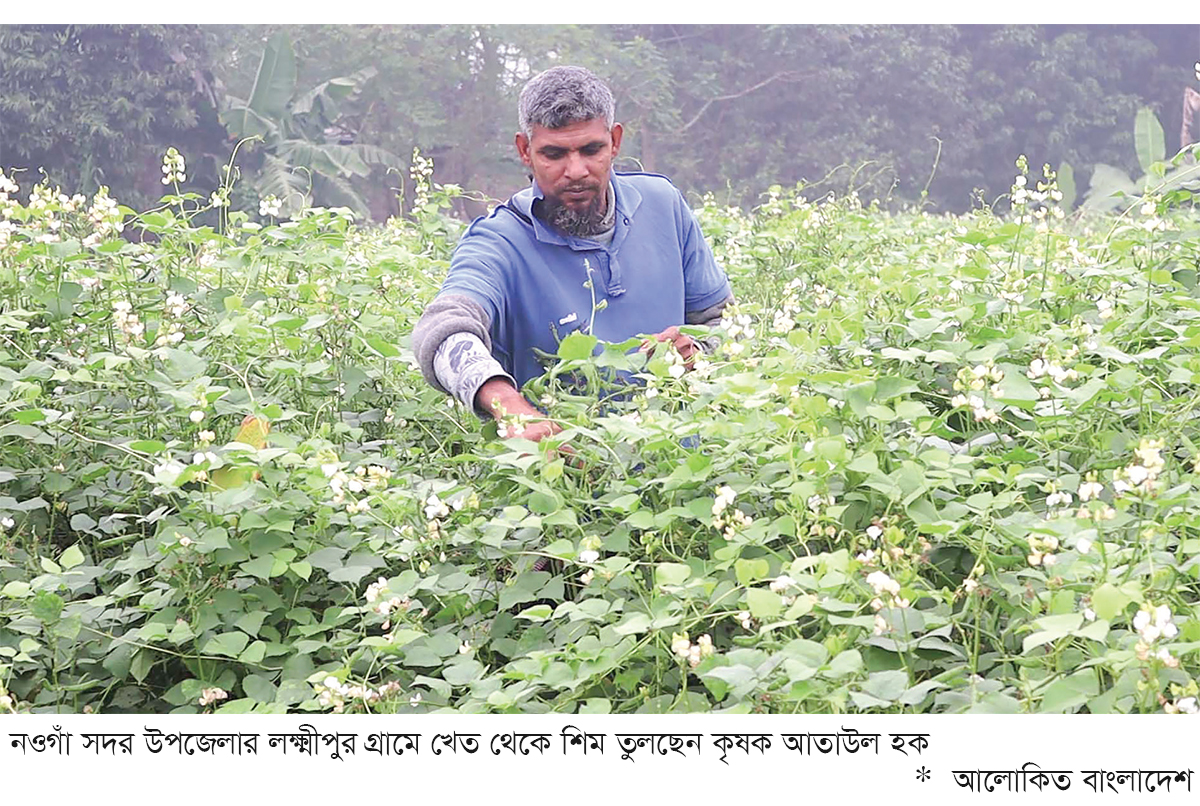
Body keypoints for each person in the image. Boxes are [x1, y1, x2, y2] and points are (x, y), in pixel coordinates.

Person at [411, 65, 733, 442]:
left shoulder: (663, 205)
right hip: (566, 479)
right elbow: (444, 329)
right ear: (524, 151)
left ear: (614, 141)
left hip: (681, 472)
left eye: (591, 149)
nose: (576, 171)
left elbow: (720, 319)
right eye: (554, 154)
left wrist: (697, 350)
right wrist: (508, 405)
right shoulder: (499, 241)